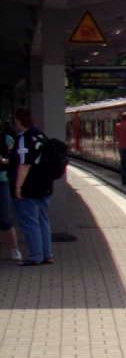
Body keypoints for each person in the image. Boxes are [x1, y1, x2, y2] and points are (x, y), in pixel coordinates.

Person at [12, 106, 53, 266]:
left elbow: (25, 164)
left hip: (29, 186)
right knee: (43, 220)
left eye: (16, 120)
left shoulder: (24, 138)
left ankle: (35, 256)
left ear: (20, 121)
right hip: (45, 185)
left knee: (30, 222)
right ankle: (46, 254)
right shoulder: (41, 135)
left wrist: (17, 187)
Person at [0, 120, 21, 261]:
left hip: (2, 181)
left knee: (5, 218)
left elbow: (14, 160)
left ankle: (14, 249)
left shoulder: (7, 139)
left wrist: (2, 160)